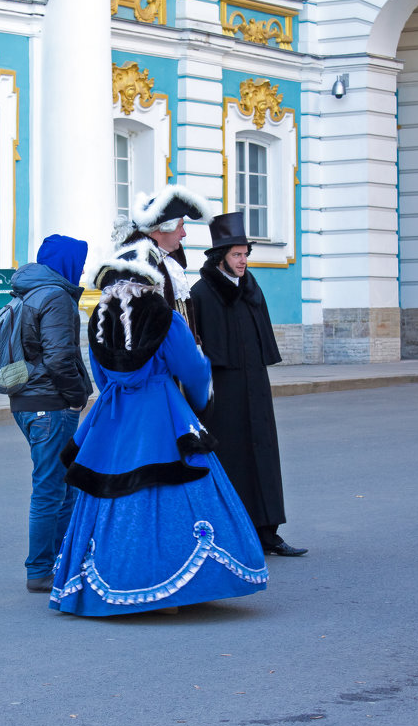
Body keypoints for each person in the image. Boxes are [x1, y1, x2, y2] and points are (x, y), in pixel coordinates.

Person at [49, 239, 268, 616]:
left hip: (114, 414)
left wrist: (117, 397)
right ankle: (171, 590)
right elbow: (195, 368)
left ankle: (111, 581)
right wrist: (198, 403)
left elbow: (101, 376)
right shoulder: (164, 316)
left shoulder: (99, 318)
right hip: (160, 410)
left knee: (108, 489)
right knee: (173, 487)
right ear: (150, 281)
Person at [190, 212, 308, 557]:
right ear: (220, 256)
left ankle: (268, 533)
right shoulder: (202, 293)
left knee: (264, 457)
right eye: (237, 254)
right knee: (233, 458)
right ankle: (235, 534)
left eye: (245, 254)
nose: (243, 261)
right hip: (223, 392)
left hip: (255, 384)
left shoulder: (251, 288)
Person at [10, 234, 93, 593]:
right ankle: (41, 569)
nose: (84, 269)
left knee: (60, 484)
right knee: (50, 488)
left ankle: (60, 560)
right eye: (81, 262)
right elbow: (59, 357)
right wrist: (76, 397)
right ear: (68, 263)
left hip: (28, 401)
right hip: (50, 403)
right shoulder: (56, 297)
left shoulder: (28, 291)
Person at [112, 183, 213, 337]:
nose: (184, 234)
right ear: (163, 228)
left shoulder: (171, 261)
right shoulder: (139, 263)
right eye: (180, 226)